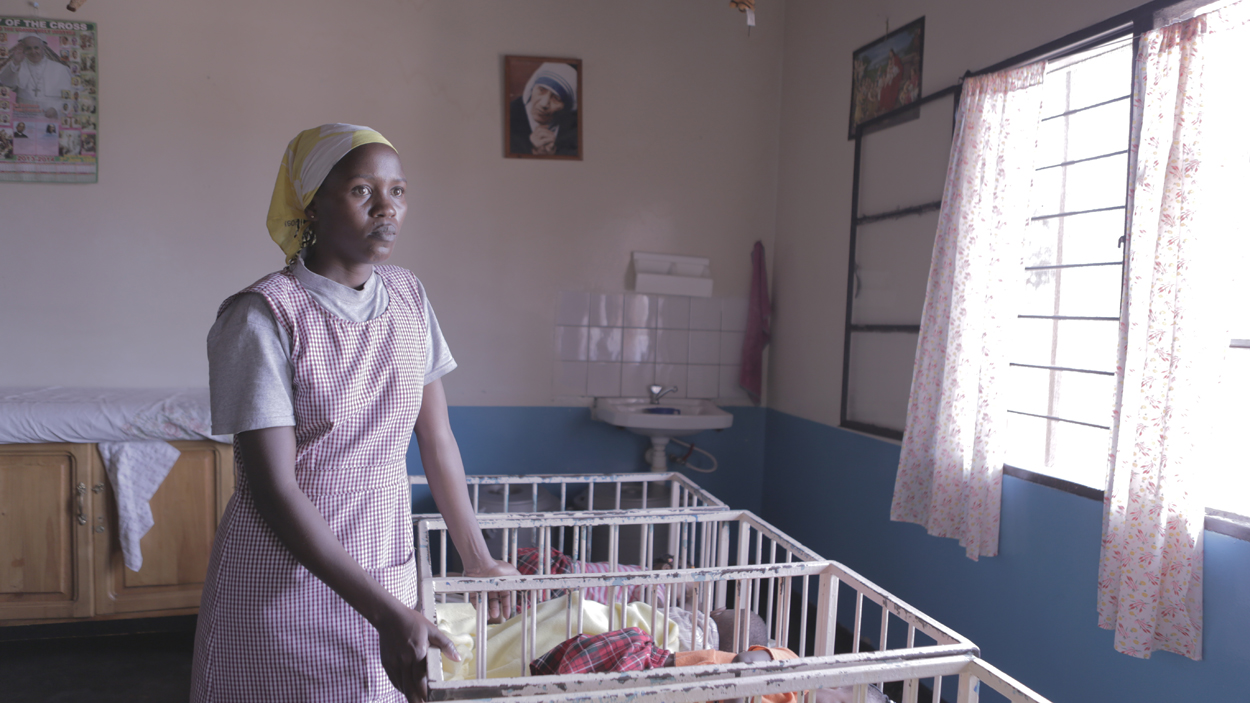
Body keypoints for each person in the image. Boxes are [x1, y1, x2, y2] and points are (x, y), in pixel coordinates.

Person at [192, 123, 520, 703]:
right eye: (362, 190)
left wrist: (478, 558)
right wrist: (385, 610)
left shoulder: (409, 296)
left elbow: (436, 438)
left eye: (398, 191)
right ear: (312, 204)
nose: (386, 208)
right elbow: (273, 489)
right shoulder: (262, 316)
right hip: (284, 583)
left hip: (383, 563)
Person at [508, 62, 579, 157]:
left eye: (556, 98)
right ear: (532, 88)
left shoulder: (575, 129)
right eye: (541, 90)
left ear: (566, 107)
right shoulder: (508, 116)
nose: (544, 104)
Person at [0, 35, 74, 118]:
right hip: (23, 118)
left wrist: (57, 109)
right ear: (24, 50)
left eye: (36, 48)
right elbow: (6, 83)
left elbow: (71, 97)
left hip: (50, 119)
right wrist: (16, 62)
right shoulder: (17, 65)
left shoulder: (60, 69)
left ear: (43, 48)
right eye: (28, 48)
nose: (33, 52)